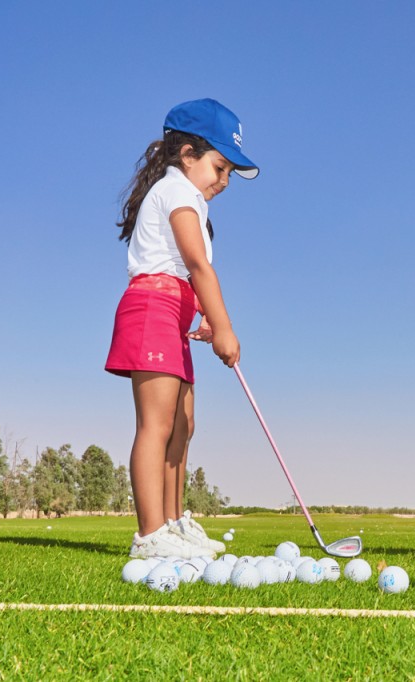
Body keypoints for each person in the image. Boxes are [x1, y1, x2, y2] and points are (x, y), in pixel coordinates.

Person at [105, 98, 259, 559]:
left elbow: (190, 273)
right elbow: (196, 264)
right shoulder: (177, 191)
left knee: (183, 424)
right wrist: (226, 326)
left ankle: (173, 523)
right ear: (187, 154)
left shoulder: (188, 194)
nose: (225, 180)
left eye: (230, 171)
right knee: (157, 423)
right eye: (220, 166)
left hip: (173, 314)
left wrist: (206, 317)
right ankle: (150, 535)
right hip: (152, 308)